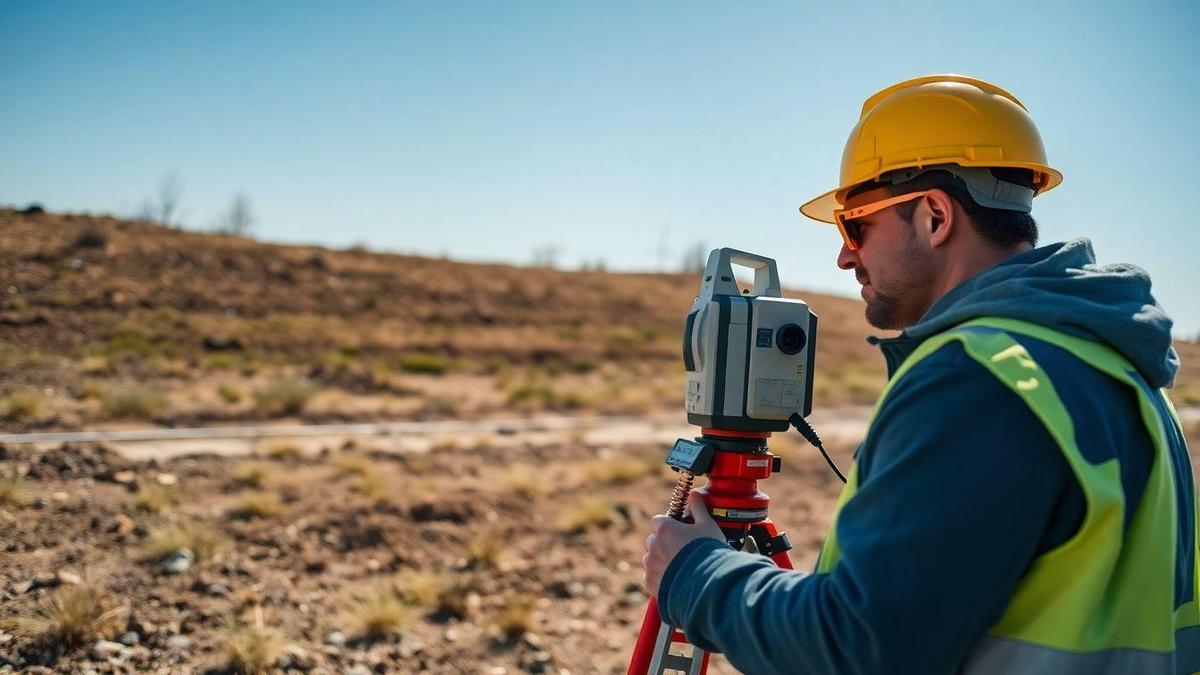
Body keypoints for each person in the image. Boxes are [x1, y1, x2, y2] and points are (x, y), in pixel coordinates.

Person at [640, 74, 1200, 674]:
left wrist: (697, 573)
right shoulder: (1117, 367)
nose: (844, 254)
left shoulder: (981, 380)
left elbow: (859, 649)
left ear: (935, 216)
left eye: (855, 225)